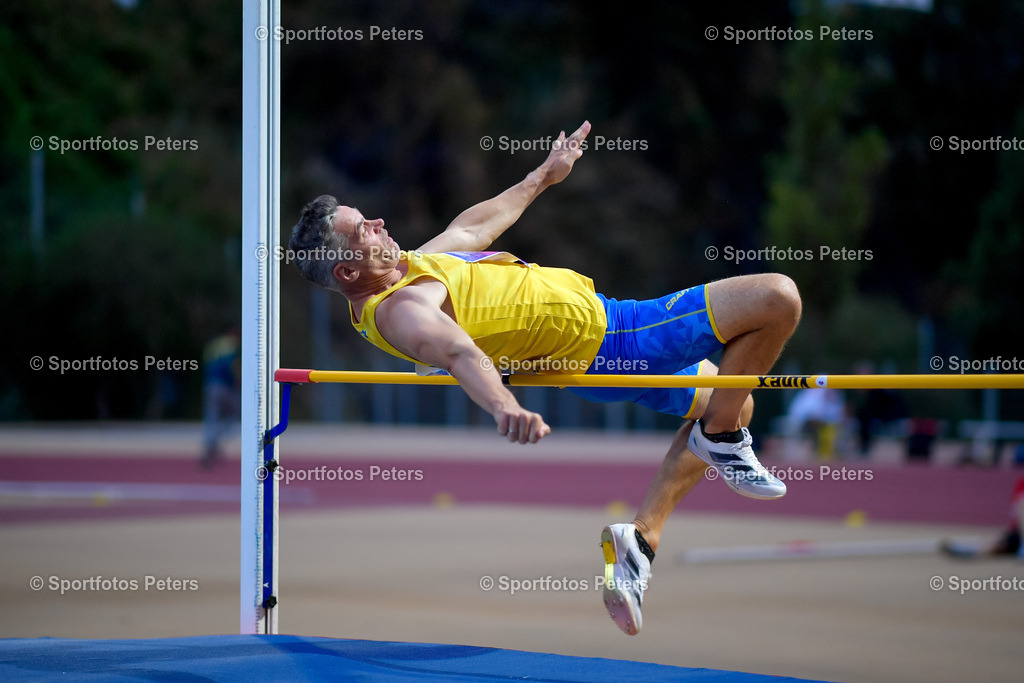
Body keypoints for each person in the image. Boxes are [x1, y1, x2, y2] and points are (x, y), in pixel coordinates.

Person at [288, 121, 802, 635]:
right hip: (625, 338)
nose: (378, 222)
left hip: (604, 339)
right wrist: (502, 405)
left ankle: (641, 539)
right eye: (364, 230)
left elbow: (471, 229)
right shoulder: (403, 309)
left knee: (735, 401)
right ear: (347, 274)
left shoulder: (409, 268)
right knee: (777, 297)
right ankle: (723, 440)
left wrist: (543, 175)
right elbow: (458, 351)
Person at [200, 329, 241, 468]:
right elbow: (230, 367)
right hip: (224, 386)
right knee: (235, 414)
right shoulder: (230, 345)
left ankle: (211, 443)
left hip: (211, 385)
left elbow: (207, 365)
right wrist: (236, 382)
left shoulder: (213, 345)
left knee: (212, 416)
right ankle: (214, 442)